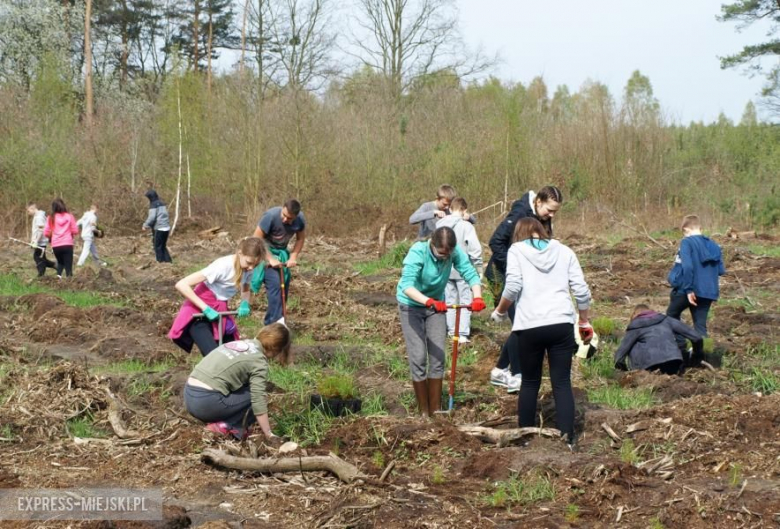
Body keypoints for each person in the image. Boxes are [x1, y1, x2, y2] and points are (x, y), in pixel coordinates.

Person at [490, 217, 592, 445]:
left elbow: (514, 285)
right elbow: (581, 290)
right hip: (561, 323)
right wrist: (583, 320)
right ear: (541, 231)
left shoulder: (516, 251)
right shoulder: (565, 251)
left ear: (518, 234)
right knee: (562, 382)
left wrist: (500, 311)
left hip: (529, 325)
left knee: (529, 382)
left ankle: (524, 438)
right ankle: (567, 439)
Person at [397, 226, 486, 416]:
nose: (444, 257)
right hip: (411, 306)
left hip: (437, 306)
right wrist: (428, 301)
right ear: (432, 245)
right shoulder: (418, 252)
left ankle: (436, 411)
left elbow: (470, 273)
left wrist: (477, 297)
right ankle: (423, 411)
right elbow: (406, 286)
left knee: (438, 357)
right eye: (440, 253)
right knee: (419, 357)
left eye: (448, 254)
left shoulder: (454, 253)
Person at [488, 186, 563, 392]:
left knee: (524, 323)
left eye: (555, 211)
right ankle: (516, 375)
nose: (551, 214)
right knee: (521, 325)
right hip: (501, 274)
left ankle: (500, 370)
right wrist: (516, 264)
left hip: (525, 276)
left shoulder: (543, 217)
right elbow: (495, 242)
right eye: (549, 210)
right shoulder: (520, 214)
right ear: (538, 202)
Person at [184, 322, 290, 441]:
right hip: (206, 402)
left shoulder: (239, 343)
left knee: (245, 388)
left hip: (188, 395)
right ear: (275, 349)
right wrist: (268, 434)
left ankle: (221, 420)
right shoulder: (258, 361)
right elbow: (258, 400)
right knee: (257, 396)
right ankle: (226, 426)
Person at [169, 238, 266, 356]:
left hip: (219, 311)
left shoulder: (247, 269)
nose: (251, 268)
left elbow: (245, 287)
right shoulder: (222, 266)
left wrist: (244, 303)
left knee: (234, 352)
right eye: (249, 263)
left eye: (255, 265)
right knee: (213, 355)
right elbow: (181, 284)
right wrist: (205, 308)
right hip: (198, 313)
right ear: (240, 253)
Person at [666, 215, 725, 354]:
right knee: (700, 326)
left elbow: (687, 267)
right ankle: (701, 357)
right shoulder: (715, 246)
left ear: (686, 229)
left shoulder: (687, 242)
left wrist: (688, 290)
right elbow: (721, 270)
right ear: (700, 228)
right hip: (709, 291)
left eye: (684, 232)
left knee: (671, 315)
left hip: (689, 290)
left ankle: (681, 348)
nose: (684, 235)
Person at [436, 197, 483, 343]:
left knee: (449, 300)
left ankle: (451, 331)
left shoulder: (439, 224)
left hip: (444, 269)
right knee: (465, 301)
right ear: (464, 210)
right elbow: (475, 249)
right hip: (463, 270)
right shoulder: (466, 226)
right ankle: (462, 333)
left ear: (450, 209)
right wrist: (479, 268)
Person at [251, 199, 306, 325]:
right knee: (276, 284)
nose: (285, 220)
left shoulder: (300, 220)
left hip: (281, 254)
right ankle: (272, 326)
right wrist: (270, 259)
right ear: (282, 208)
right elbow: (256, 238)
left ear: (296, 216)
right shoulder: (270, 216)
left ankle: (278, 323)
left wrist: (293, 257)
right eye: (284, 215)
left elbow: (300, 239)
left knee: (283, 288)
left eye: (290, 218)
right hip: (264, 252)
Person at [614, 304, 704, 375]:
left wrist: (626, 373)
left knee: (633, 345)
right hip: (674, 363)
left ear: (634, 315)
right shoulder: (666, 320)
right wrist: (696, 356)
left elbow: (619, 358)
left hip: (648, 369)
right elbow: (697, 337)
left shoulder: (634, 328)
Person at [409, 184, 475, 240]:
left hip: (441, 247)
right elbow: (412, 219)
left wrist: (469, 217)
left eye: (449, 204)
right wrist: (433, 213)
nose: (447, 207)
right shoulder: (427, 206)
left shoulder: (450, 209)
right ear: (437, 199)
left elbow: (474, 220)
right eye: (445, 204)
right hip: (424, 244)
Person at [43, 198, 79, 279]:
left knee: (60, 262)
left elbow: (45, 233)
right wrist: (70, 232)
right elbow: (75, 230)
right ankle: (69, 282)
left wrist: (51, 235)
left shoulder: (50, 218)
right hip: (67, 244)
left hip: (56, 245)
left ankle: (58, 278)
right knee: (68, 265)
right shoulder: (70, 217)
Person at [26, 203, 56, 277]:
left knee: (38, 257)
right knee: (42, 258)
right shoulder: (38, 216)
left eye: (28, 210)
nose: (28, 213)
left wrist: (36, 241)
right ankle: (56, 265)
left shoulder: (39, 217)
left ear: (32, 208)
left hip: (41, 241)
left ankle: (41, 274)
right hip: (40, 240)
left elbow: (40, 230)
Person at [142, 189, 172, 263]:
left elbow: (152, 217)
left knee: (157, 247)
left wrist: (145, 225)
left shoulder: (153, 205)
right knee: (163, 246)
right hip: (166, 227)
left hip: (160, 228)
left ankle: (160, 262)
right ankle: (168, 261)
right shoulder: (162, 203)